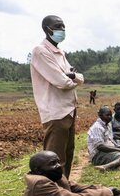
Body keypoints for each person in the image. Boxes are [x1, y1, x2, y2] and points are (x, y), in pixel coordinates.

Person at [29, 15, 84, 179]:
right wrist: (71, 77)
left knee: (67, 155)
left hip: (69, 110)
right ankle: (52, 195)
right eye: (58, 26)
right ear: (47, 29)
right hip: (55, 113)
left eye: (63, 26)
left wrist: (71, 76)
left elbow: (78, 77)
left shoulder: (60, 53)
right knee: (53, 160)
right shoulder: (40, 51)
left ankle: (64, 191)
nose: (63, 30)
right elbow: (62, 82)